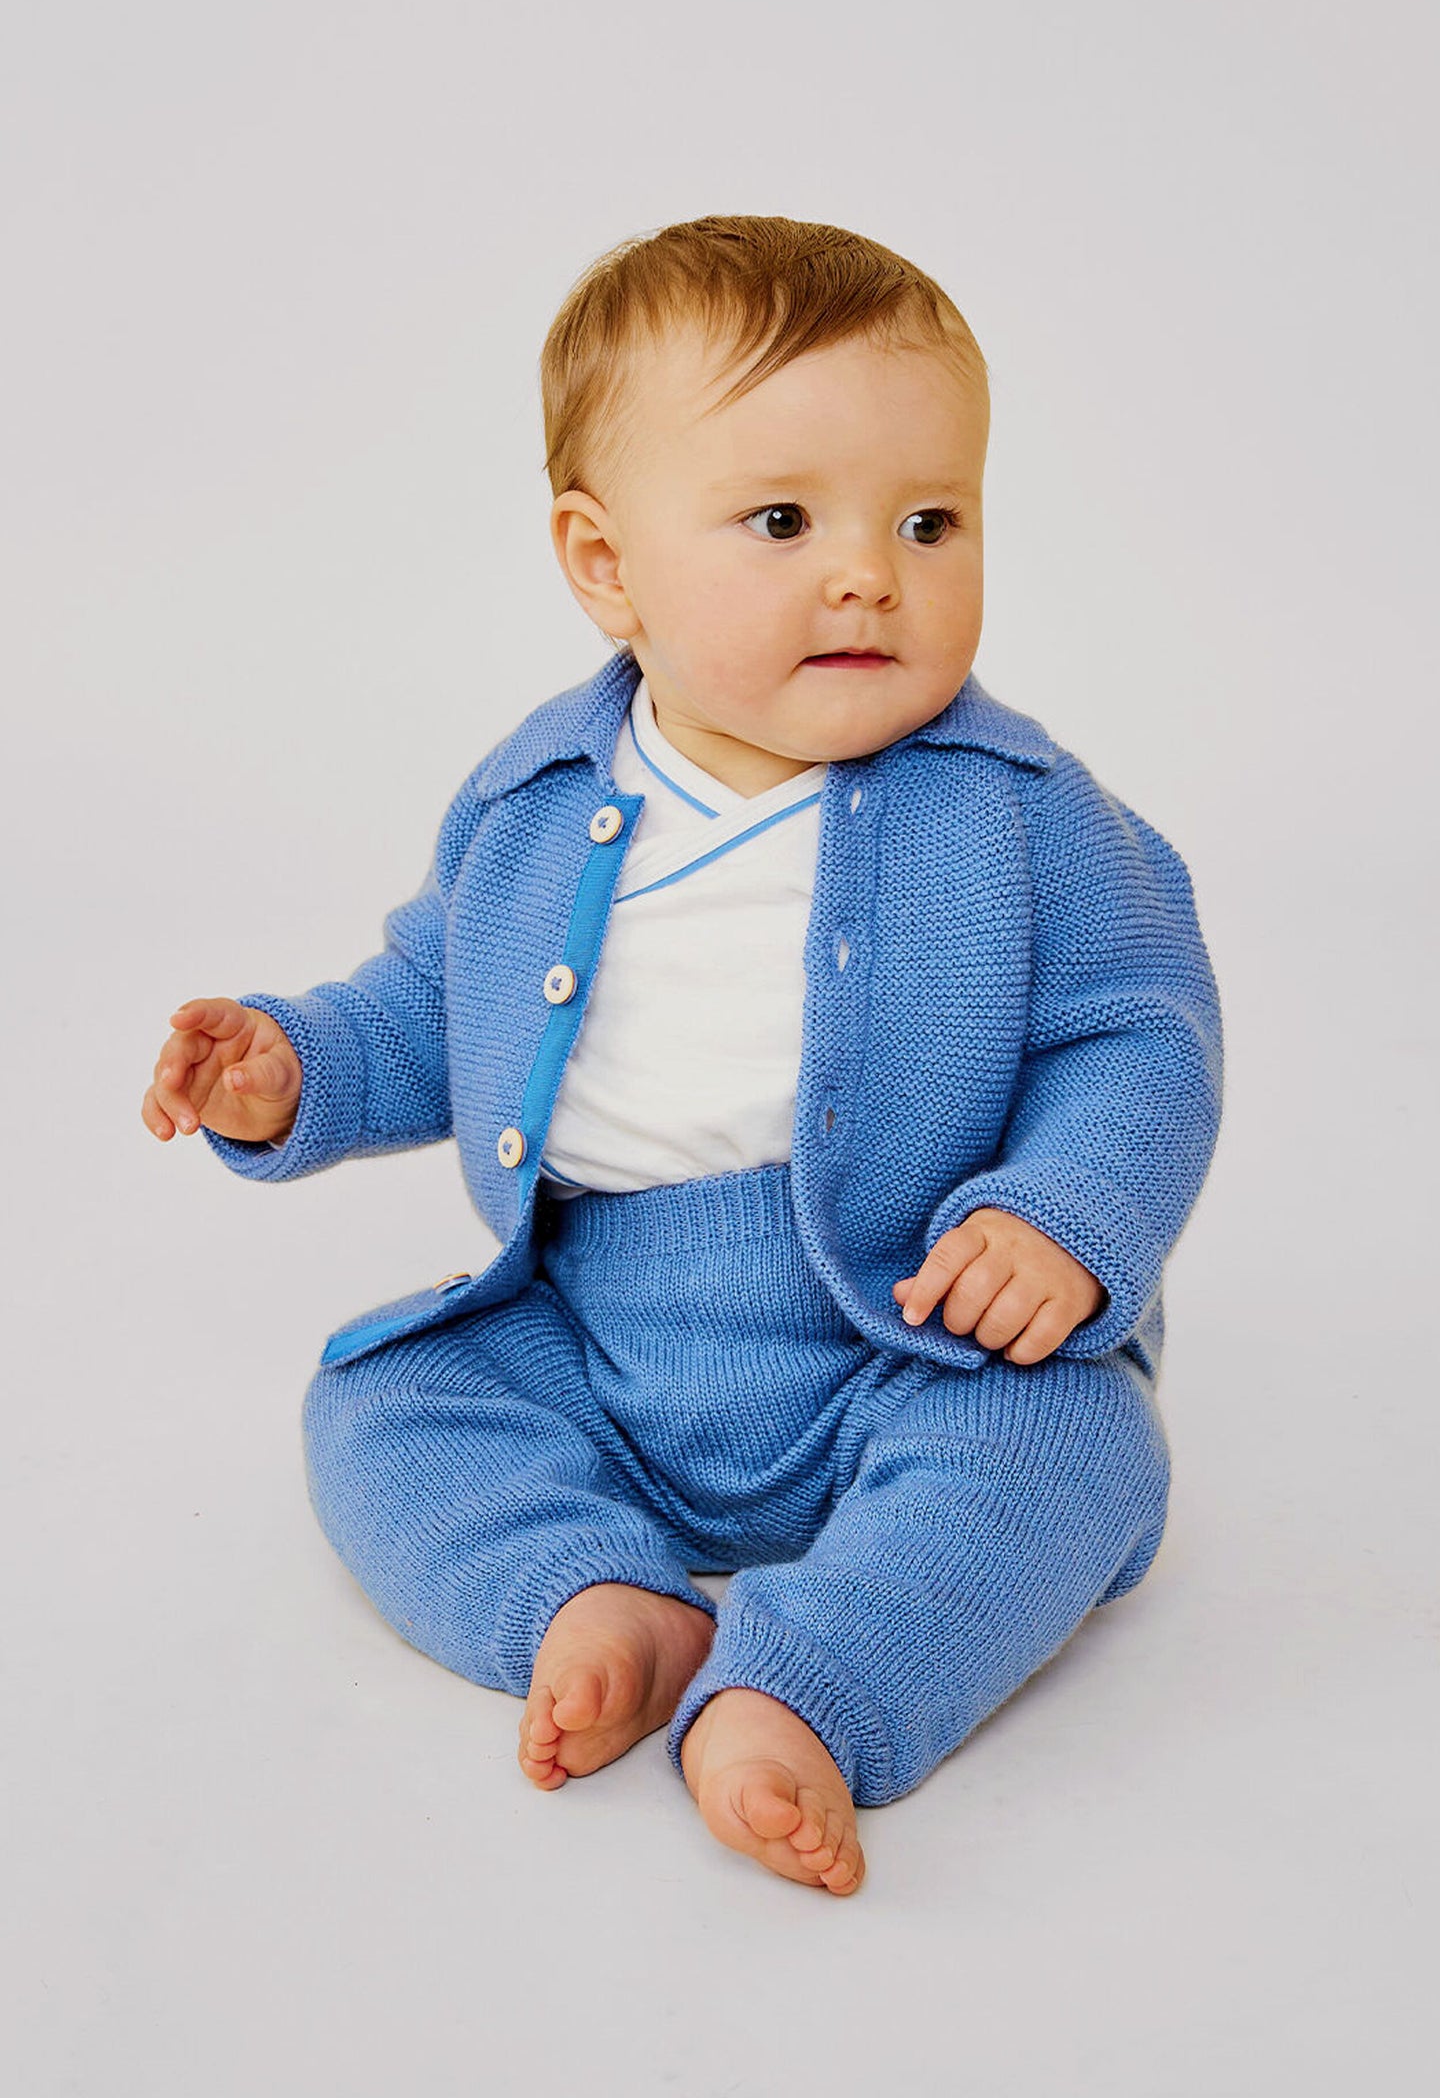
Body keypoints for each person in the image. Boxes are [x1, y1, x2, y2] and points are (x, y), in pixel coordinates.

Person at [140, 214, 1224, 1898]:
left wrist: (1068, 1217)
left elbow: (1140, 1033)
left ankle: (810, 1684)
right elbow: (433, 1001)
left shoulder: (1025, 819)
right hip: (589, 1323)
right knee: (379, 1404)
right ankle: (600, 1593)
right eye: (783, 521)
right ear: (604, 563)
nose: (870, 569)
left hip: (911, 1333)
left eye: (929, 519)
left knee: (1074, 1454)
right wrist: (294, 1066)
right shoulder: (534, 803)